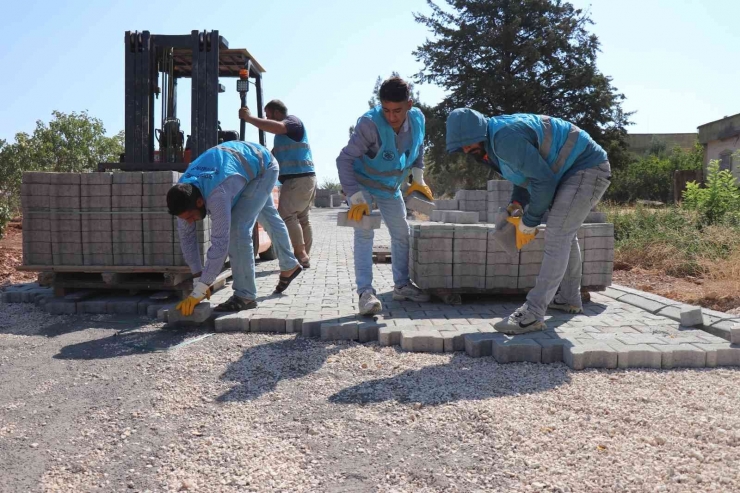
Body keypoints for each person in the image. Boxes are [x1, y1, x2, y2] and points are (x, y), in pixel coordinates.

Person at [446, 108, 611, 334]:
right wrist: (517, 204)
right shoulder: (491, 141)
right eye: (461, 145)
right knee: (565, 233)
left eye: (469, 142)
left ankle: (533, 314)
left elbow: (543, 180)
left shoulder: (504, 138)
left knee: (557, 234)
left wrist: (530, 221)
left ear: (479, 132)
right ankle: (569, 298)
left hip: (586, 168)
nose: (466, 149)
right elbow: (524, 175)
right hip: (570, 170)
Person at [167, 140, 303, 315]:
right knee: (268, 215)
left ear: (200, 202)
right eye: (185, 218)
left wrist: (202, 287)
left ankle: (245, 295)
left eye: (191, 216)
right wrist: (197, 276)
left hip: (264, 167)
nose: (190, 222)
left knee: (237, 229)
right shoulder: (183, 193)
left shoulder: (217, 195)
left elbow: (220, 244)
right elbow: (186, 238)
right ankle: (290, 265)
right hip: (243, 164)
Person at [336, 76, 434, 316]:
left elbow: (419, 146)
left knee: (402, 233)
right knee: (364, 233)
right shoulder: (369, 125)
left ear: (409, 105)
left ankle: (402, 286)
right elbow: (344, 159)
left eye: (397, 111)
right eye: (386, 110)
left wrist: (418, 177)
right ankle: (365, 294)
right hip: (364, 185)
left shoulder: (418, 119)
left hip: (390, 187)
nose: (391, 117)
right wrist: (354, 196)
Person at [239, 100, 315, 269]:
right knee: (302, 218)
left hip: (298, 179)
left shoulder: (292, 122)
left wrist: (249, 118)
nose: (267, 118)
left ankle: (301, 255)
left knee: (287, 215)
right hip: (304, 179)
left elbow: (275, 127)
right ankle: (304, 258)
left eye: (268, 114)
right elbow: (272, 157)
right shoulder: (283, 136)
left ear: (277, 112)